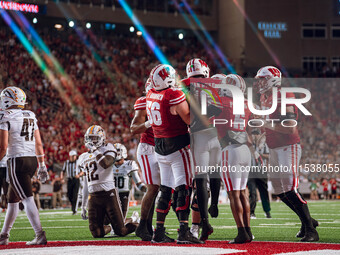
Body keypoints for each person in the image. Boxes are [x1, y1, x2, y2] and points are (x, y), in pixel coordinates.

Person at [255, 66, 319, 242]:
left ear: (273, 79)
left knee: (290, 187)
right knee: (279, 190)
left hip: (288, 146)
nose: (259, 82)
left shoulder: (284, 95)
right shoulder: (264, 96)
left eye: (263, 78)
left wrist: (265, 124)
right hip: (274, 146)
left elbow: (290, 127)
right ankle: (308, 221)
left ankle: (310, 230)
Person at [146, 64, 202, 244]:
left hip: (160, 146)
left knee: (165, 189)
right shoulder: (173, 95)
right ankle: (184, 231)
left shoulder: (150, 93)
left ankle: (159, 231)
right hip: (178, 145)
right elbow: (189, 119)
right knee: (183, 189)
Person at [0, 86, 49, 245]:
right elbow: (39, 144)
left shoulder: (5, 116)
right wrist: (42, 165)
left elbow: (3, 147)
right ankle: (4, 235)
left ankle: (39, 234)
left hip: (16, 160)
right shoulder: (30, 115)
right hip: (32, 160)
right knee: (12, 199)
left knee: (27, 198)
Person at [182, 58, 221, 241]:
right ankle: (213, 206)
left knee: (198, 182)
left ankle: (201, 223)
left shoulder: (183, 85)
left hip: (197, 135)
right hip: (217, 134)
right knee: (212, 175)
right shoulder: (216, 84)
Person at [213, 74, 254, 243]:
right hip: (245, 150)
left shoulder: (221, 102)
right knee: (243, 192)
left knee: (233, 194)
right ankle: (248, 231)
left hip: (230, 150)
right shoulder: (246, 104)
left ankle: (241, 232)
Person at [80, 125, 137, 238]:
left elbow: (106, 164)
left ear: (101, 138)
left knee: (121, 231)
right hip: (94, 196)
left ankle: (143, 225)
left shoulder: (108, 147)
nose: (91, 141)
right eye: (90, 138)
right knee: (96, 233)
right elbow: (86, 182)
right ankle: (112, 227)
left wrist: (95, 151)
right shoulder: (83, 157)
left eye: (94, 138)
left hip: (108, 194)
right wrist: (83, 205)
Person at [131, 78, 161, 241]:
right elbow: (133, 128)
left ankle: (149, 226)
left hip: (161, 148)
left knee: (158, 188)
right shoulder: (143, 102)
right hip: (148, 148)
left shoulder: (166, 98)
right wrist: (151, 122)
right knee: (152, 188)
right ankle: (143, 226)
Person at [113, 143, 146, 218]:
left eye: (118, 151)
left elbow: (138, 183)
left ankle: (133, 219)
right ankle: (133, 218)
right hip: (111, 195)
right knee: (105, 222)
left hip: (123, 195)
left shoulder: (130, 164)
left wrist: (147, 190)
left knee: (120, 221)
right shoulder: (108, 166)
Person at [247, 128, 271, 219]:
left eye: (257, 134)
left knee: (263, 192)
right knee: (252, 192)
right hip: (251, 171)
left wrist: (259, 154)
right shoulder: (249, 146)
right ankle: (251, 212)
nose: (255, 136)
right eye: (253, 134)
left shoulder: (264, 145)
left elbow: (269, 155)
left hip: (261, 171)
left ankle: (267, 211)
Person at [61, 150, 80, 215]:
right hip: (69, 180)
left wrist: (79, 175)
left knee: (75, 195)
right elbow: (62, 171)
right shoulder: (66, 163)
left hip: (76, 180)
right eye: (73, 156)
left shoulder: (78, 162)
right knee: (69, 195)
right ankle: (73, 206)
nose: (75, 157)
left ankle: (74, 209)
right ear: (70, 157)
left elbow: (83, 170)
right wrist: (62, 178)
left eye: (75, 156)